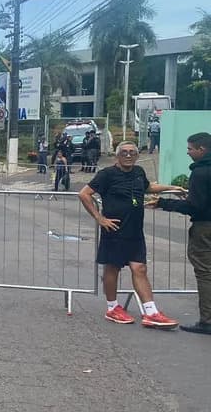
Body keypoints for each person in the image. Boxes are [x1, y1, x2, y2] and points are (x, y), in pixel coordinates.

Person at [78, 141, 183, 328]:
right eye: (124, 152)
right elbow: (84, 194)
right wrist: (99, 218)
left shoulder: (138, 172)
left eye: (132, 153)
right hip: (114, 230)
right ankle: (112, 307)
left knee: (140, 269)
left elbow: (149, 187)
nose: (128, 155)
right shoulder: (107, 174)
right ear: (117, 156)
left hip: (135, 231)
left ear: (136, 155)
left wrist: (173, 188)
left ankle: (151, 312)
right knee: (112, 268)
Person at [147, 132, 211, 334]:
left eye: (190, 148)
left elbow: (196, 206)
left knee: (205, 272)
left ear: (202, 149)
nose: (188, 152)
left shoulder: (201, 173)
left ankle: (207, 320)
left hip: (205, 226)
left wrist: (165, 203)